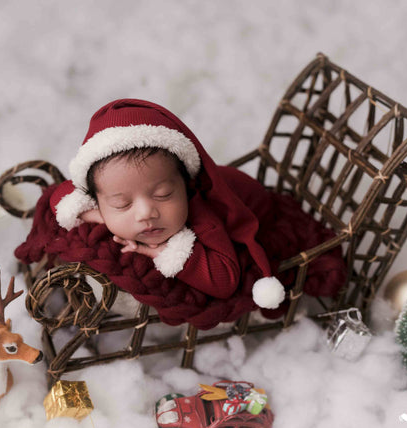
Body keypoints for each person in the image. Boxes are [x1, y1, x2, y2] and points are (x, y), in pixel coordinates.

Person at [49, 98, 287, 309]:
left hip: (257, 206)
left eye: (163, 195)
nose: (146, 213)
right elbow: (60, 195)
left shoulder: (204, 220)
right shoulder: (104, 191)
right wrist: (99, 215)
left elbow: (225, 281)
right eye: (122, 204)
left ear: (186, 185)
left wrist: (164, 251)